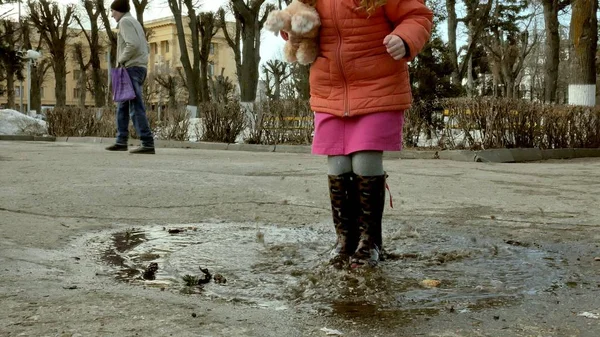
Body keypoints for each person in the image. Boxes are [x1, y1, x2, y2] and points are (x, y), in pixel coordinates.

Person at [283, 0, 432, 269]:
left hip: (378, 86)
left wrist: (404, 38)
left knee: (365, 159)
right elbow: (298, 21)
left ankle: (370, 240)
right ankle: (345, 240)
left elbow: (417, 15)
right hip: (330, 90)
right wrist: (293, 28)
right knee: (338, 164)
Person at [105, 0, 155, 154]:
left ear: (118, 10)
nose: (112, 15)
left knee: (135, 106)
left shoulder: (125, 22)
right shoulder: (135, 22)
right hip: (137, 67)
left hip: (130, 68)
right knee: (122, 106)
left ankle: (147, 143)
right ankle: (121, 141)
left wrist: (121, 60)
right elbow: (146, 46)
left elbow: (132, 44)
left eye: (113, 11)